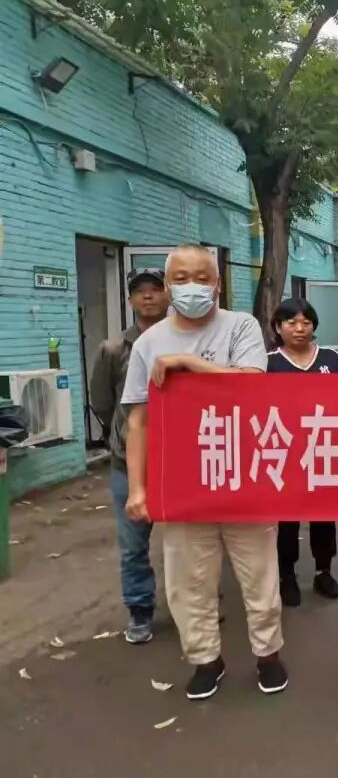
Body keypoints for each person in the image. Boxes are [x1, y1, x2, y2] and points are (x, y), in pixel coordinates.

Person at [122, 244, 286, 700]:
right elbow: (138, 422)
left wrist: (190, 364)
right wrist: (137, 488)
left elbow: (252, 383)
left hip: (244, 476)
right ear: (168, 284)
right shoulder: (149, 343)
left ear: (217, 284)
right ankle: (205, 660)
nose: (191, 286)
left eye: (201, 277)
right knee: (188, 582)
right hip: (182, 485)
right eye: (181, 278)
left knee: (260, 578)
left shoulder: (240, 326)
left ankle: (268, 655)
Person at [89, 268, 169, 644]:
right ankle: (140, 610)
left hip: (181, 460)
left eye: (156, 289)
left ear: (168, 296)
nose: (148, 296)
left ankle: (198, 604)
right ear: (131, 299)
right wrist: (124, 435)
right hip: (129, 463)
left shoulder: (183, 341)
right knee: (134, 545)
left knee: (193, 542)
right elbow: (103, 403)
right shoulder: (113, 349)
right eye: (141, 291)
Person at [266, 297, 338, 607]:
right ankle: (287, 575)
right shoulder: (268, 362)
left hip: (323, 448)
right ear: (278, 327)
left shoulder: (330, 359)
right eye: (291, 322)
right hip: (284, 451)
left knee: (324, 516)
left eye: (306, 322)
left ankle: (323, 571)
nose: (299, 328)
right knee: (286, 519)